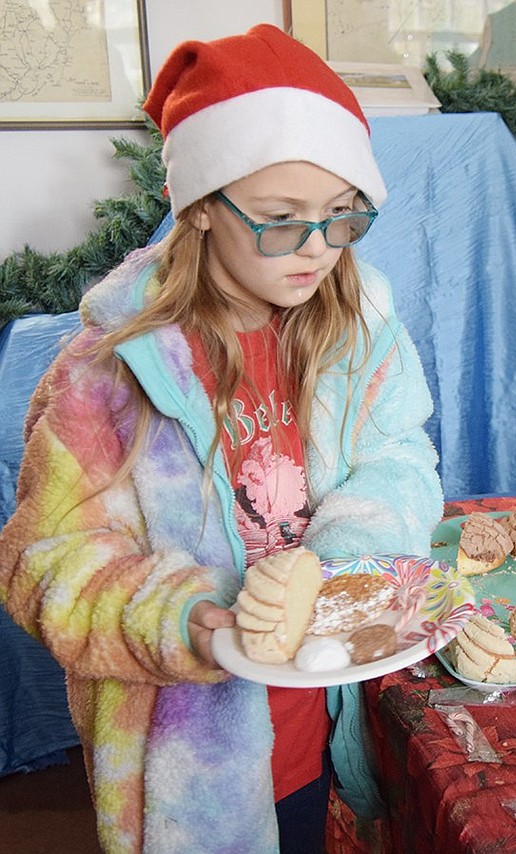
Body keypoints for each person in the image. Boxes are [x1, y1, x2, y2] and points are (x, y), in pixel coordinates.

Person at [0, 24, 443, 854]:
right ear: (200, 207)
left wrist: (338, 564)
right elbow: (42, 564)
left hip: (317, 724)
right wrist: (191, 620)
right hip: (184, 763)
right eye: (281, 220)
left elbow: (397, 457)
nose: (317, 250)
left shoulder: (359, 326)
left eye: (341, 217)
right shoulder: (106, 373)